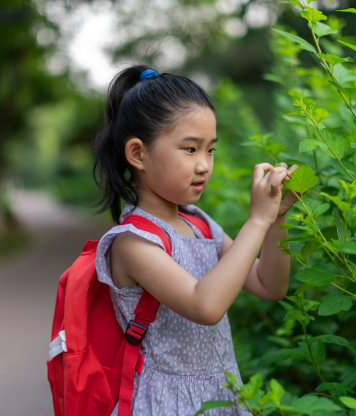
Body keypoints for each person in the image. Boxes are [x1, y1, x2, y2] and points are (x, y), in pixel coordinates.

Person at [92, 65, 297, 415]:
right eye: (190, 150)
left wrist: (276, 220)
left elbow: (269, 284)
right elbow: (206, 306)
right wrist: (257, 220)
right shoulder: (133, 242)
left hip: (222, 395)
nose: (204, 165)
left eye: (210, 150)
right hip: (167, 404)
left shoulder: (201, 225)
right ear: (138, 154)